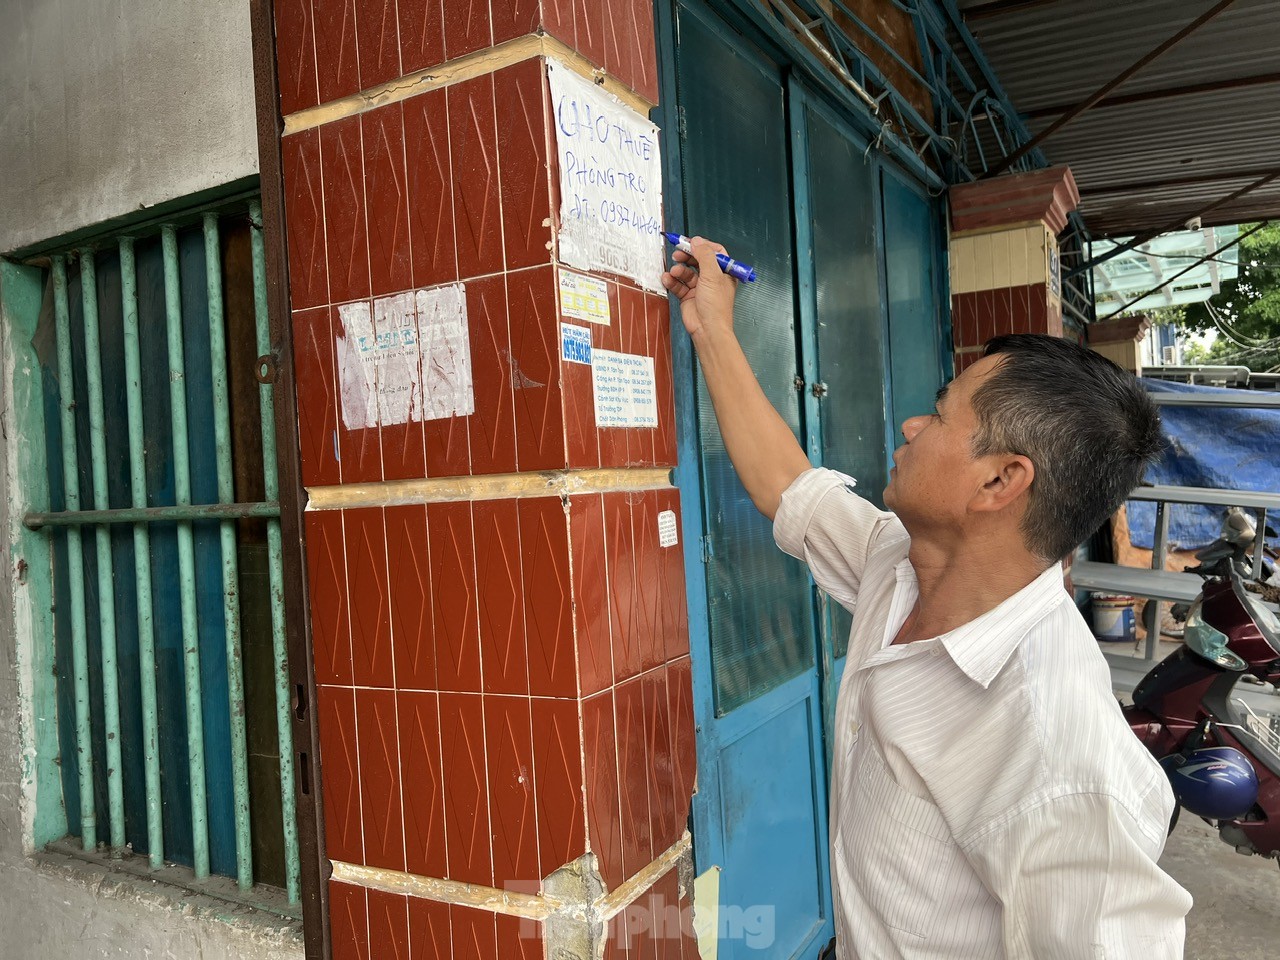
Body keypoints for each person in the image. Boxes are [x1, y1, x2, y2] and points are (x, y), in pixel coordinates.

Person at [661, 237, 1193, 959]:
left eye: (941, 413)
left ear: (1000, 482)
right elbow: (787, 485)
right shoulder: (903, 563)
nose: (913, 425)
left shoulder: (1060, 756)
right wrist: (712, 324)